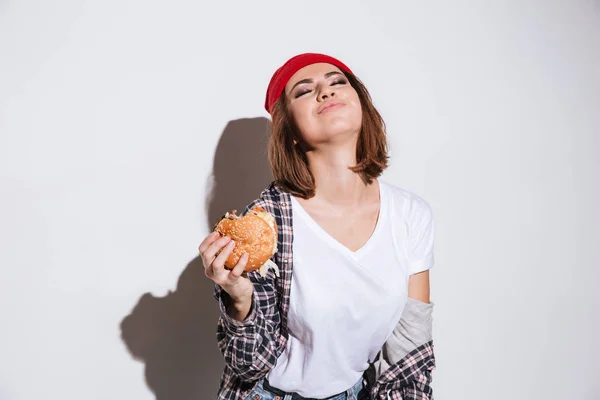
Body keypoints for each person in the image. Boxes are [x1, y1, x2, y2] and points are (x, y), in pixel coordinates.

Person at [199, 53, 436, 400]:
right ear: (290, 131)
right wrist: (239, 300)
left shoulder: (411, 215)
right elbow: (249, 366)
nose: (326, 92)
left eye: (338, 82)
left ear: (362, 107)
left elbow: (410, 353)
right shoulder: (265, 223)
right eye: (304, 91)